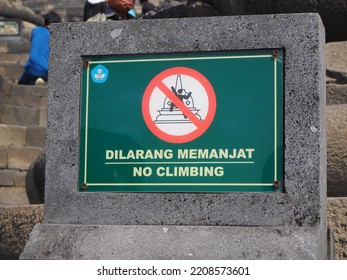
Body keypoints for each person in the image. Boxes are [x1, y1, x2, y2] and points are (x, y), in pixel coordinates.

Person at [18, 12, 61, 85]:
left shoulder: (36, 30)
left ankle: (36, 80)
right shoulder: (56, 36)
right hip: (45, 70)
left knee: (22, 82)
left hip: (31, 68)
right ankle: (40, 79)